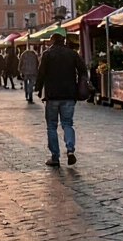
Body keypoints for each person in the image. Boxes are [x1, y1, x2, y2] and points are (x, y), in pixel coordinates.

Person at [35, 33, 88, 167]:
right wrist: (79, 83)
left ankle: (55, 157)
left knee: (52, 126)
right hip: (69, 95)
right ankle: (70, 150)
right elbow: (83, 70)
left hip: (52, 95)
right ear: (63, 41)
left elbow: (41, 73)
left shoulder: (47, 54)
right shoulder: (72, 54)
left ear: (52, 40)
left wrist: (38, 87)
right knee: (67, 124)